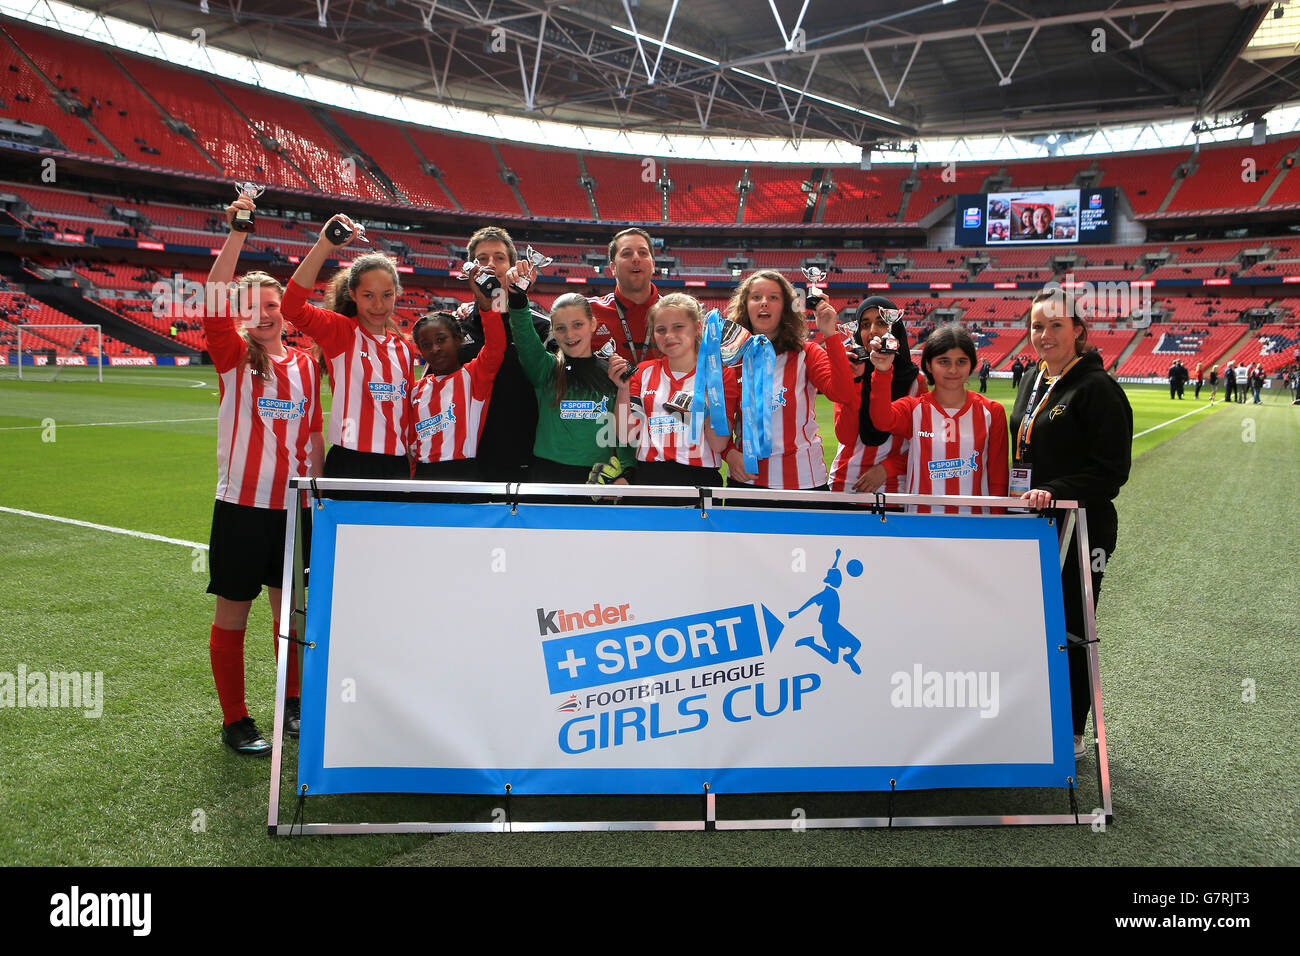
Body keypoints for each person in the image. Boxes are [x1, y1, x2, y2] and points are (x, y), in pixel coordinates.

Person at [202, 194, 323, 756]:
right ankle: (235, 719)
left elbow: (314, 434)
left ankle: (291, 702)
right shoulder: (232, 354)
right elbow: (211, 298)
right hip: (240, 508)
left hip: (292, 508)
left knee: (289, 613)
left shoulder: (303, 362)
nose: (266, 312)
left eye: (273, 304)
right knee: (234, 612)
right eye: (254, 305)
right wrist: (237, 234)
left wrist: (317, 499)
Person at [1010, 288, 1133, 761]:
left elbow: (1111, 471)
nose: (1044, 336)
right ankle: (1031, 712)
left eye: (1055, 326)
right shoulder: (1032, 378)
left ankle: (1072, 728)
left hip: (1082, 528)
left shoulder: (1097, 388)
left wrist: (1056, 488)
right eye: (1037, 326)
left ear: (1079, 331)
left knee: (1072, 625)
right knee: (1030, 621)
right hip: (1033, 522)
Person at [280, 215, 414, 479]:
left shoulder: (403, 348)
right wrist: (323, 245)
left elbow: (406, 414)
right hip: (350, 463)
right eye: (368, 295)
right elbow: (291, 307)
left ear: (396, 293)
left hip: (396, 465)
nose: (378, 305)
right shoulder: (342, 332)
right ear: (352, 294)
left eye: (387, 295)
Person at [723, 270, 855, 491]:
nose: (764, 303)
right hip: (747, 481)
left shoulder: (808, 353)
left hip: (805, 482)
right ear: (745, 306)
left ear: (785, 308)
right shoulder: (731, 358)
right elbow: (716, 419)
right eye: (756, 297)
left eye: (773, 297)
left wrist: (830, 334)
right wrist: (728, 453)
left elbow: (842, 394)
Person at [866, 323, 1009, 515]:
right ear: (928, 364)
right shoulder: (914, 408)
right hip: (920, 526)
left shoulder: (992, 412)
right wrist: (883, 371)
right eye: (943, 361)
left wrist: (997, 528)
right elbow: (881, 420)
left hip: (976, 528)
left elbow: (998, 478)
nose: (953, 370)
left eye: (961, 361)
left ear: (972, 364)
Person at [510, 267, 635, 486]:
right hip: (546, 477)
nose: (569, 335)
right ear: (553, 332)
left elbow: (622, 432)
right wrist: (518, 299)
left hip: (595, 478)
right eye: (560, 328)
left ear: (593, 324)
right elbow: (524, 335)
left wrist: (627, 471)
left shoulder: (612, 374)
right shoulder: (546, 369)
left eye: (578, 325)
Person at [456, 225, 551, 483]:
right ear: (469, 269)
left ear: (511, 265)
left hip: (525, 457)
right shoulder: (455, 328)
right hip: (468, 458)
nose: (490, 264)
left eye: (499, 258)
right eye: (481, 258)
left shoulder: (542, 328)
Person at [618, 293, 738, 489]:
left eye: (678, 327)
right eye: (661, 329)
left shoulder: (720, 376)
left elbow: (718, 444)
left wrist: (706, 407)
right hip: (649, 479)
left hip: (700, 480)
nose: (669, 336)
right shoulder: (643, 372)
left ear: (697, 327)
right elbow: (626, 435)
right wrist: (623, 388)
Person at [407, 265, 506, 481]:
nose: (435, 348)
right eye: (426, 344)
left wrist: (486, 306)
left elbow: (496, 347)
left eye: (441, 340)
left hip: (464, 477)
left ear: (458, 340)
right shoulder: (414, 390)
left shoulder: (472, 377)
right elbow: (410, 443)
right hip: (424, 481)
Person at [828, 296, 927, 495]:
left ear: (895, 330)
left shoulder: (916, 382)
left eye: (881, 322)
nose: (872, 330)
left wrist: (887, 468)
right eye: (865, 324)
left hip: (894, 489)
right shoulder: (848, 372)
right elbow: (845, 436)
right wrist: (853, 381)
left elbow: (924, 445)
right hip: (844, 484)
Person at [588, 227, 661, 363]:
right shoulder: (588, 311)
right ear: (612, 267)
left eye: (643, 253)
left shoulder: (676, 314)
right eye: (626, 253)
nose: (636, 258)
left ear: (652, 265)